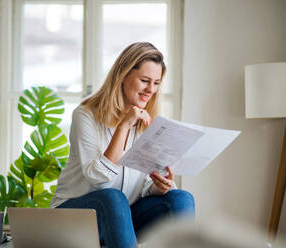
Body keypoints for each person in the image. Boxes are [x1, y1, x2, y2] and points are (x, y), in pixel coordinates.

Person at [50, 42, 195, 248]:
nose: (150, 90)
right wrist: (124, 127)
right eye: (144, 81)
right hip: (74, 216)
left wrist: (156, 187)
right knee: (113, 198)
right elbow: (99, 180)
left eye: (156, 83)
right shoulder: (85, 114)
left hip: (121, 216)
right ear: (124, 75)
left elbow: (141, 184)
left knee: (180, 198)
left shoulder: (148, 122)